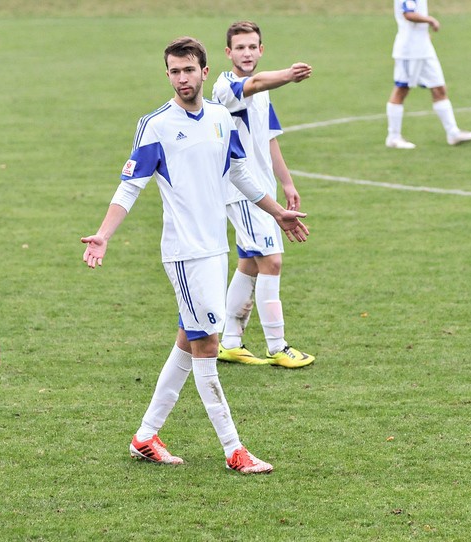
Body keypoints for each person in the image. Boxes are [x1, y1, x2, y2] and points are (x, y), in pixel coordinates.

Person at [81, 37, 309, 474]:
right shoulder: (157, 125)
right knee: (207, 343)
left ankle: (145, 436)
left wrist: (278, 212)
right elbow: (130, 186)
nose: (182, 78)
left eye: (188, 70)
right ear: (167, 75)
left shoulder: (223, 119)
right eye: (174, 71)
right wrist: (104, 234)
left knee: (190, 339)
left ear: (205, 72)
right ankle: (234, 450)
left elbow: (240, 173)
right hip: (184, 254)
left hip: (215, 248)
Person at [211, 20, 315, 369]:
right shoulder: (227, 86)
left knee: (250, 264)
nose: (247, 52)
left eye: (252, 46)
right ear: (228, 53)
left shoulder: (262, 90)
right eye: (240, 47)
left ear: (261, 49)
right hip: (241, 192)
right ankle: (277, 345)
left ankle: (230, 342)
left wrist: (287, 183)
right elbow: (253, 82)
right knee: (272, 261)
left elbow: (268, 138)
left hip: (261, 188)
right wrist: (288, 74)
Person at [385, 0, 471, 149]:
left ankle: (453, 133)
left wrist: (424, 33)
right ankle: (393, 137)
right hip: (410, 50)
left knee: (439, 89)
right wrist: (430, 20)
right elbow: (408, 14)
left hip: (424, 49)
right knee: (401, 90)